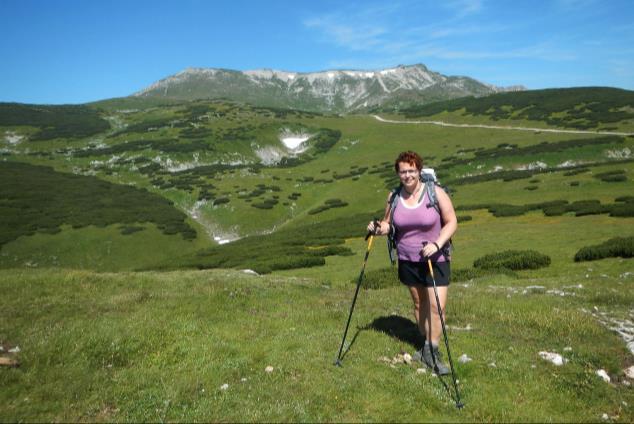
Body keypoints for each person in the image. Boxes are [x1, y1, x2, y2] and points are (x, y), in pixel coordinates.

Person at [367, 151, 457, 375]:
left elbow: (452, 221)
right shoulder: (394, 197)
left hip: (435, 258)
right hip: (407, 258)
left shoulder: (435, 193)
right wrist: (378, 229)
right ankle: (426, 344)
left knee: (437, 306)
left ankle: (433, 351)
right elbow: (388, 224)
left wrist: (437, 244)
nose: (407, 175)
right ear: (398, 173)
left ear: (419, 171)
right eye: (403, 171)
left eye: (411, 170)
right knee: (420, 305)